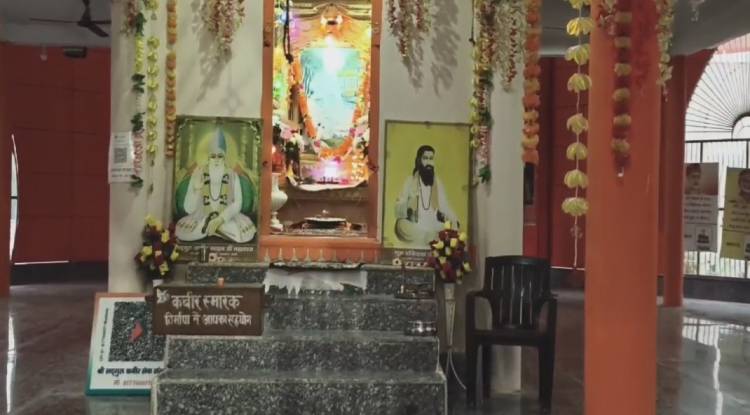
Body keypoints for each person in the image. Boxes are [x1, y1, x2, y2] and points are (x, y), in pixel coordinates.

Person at [175, 129, 256, 243]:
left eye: (220, 156)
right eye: (213, 156)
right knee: (187, 231)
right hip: (201, 218)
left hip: (227, 219)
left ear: (225, 158)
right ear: (208, 158)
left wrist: (220, 220)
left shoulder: (233, 176)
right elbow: (189, 209)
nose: (217, 160)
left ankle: (217, 228)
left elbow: (238, 203)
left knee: (238, 233)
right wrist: (196, 189)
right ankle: (212, 229)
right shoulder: (198, 174)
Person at [394, 145, 458, 246]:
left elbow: (445, 206)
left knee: (450, 226)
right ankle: (429, 238)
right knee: (401, 225)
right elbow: (398, 209)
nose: (428, 162)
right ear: (419, 160)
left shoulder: (437, 183)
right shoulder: (410, 181)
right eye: (425, 158)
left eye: (431, 158)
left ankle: (429, 237)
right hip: (415, 224)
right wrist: (409, 203)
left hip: (433, 224)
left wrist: (453, 220)